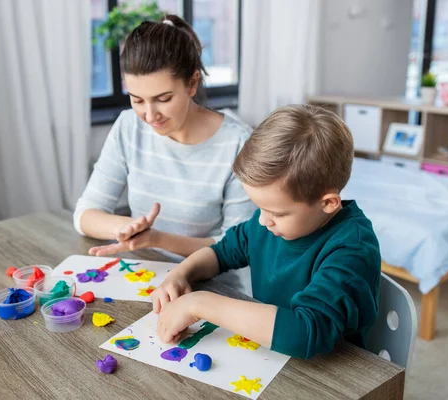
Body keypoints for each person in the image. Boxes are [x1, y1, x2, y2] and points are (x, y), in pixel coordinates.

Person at [151, 105, 381, 358]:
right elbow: (220, 253)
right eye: (259, 208)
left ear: (327, 204)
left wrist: (199, 304)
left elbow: (306, 332)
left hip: (333, 372)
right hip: (270, 357)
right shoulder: (270, 225)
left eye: (277, 213)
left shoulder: (352, 248)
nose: (262, 221)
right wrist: (180, 274)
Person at [74, 15, 256, 278]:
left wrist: (156, 239)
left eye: (163, 99)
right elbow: (85, 214)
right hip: (142, 275)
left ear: (192, 83)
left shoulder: (237, 143)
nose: (150, 115)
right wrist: (128, 227)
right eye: (137, 100)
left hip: (211, 284)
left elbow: (236, 248)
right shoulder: (128, 127)